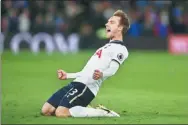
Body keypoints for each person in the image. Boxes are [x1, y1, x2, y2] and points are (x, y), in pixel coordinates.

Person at [41, 10, 130, 118]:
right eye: (107, 22)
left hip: (87, 87)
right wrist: (68, 75)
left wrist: (102, 74)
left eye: (112, 22)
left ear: (120, 27)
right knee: (46, 110)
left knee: (61, 113)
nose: (107, 24)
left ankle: (103, 112)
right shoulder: (104, 47)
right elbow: (85, 72)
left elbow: (113, 69)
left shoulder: (121, 49)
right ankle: (82, 108)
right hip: (75, 83)